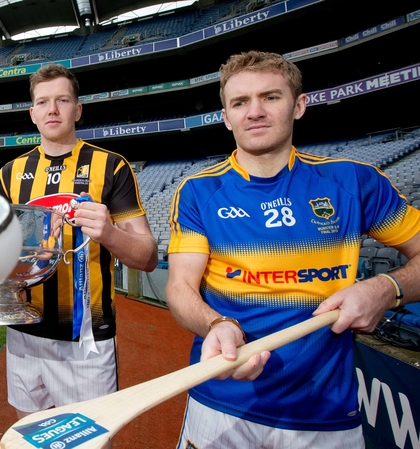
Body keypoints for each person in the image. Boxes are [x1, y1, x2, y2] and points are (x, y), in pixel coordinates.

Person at [166, 50, 420, 448]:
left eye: (270, 97)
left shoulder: (354, 182)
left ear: (299, 105)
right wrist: (218, 325)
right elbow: (180, 286)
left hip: (324, 410)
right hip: (221, 399)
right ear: (226, 116)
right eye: (240, 102)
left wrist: (386, 288)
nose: (254, 112)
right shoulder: (199, 191)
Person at [0, 64, 158, 420]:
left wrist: (111, 234)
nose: (52, 109)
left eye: (62, 100)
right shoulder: (8, 175)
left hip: (87, 341)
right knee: (28, 441)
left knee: (89, 443)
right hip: (23, 334)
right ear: (33, 112)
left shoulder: (112, 166)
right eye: (43, 102)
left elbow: (146, 257)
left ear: (77, 109)